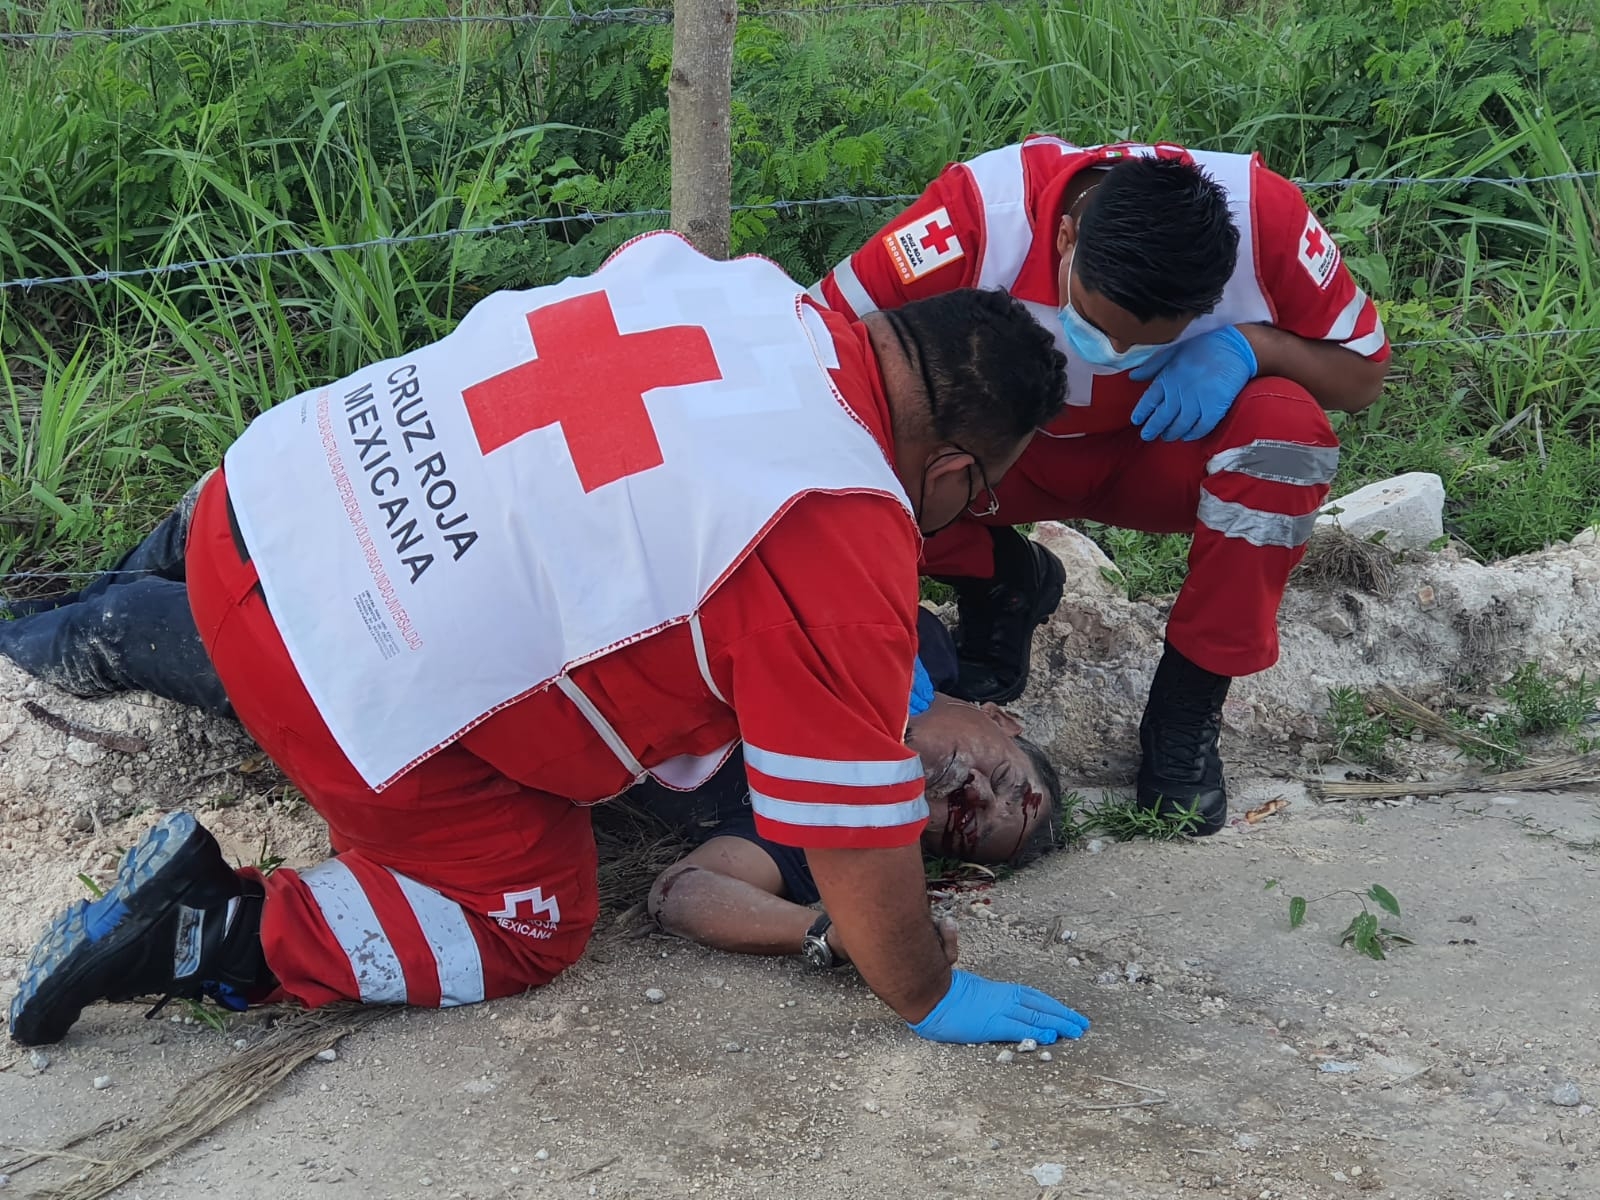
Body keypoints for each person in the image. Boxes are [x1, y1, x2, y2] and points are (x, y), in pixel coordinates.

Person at [7, 230, 1089, 1053]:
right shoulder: (838, 534)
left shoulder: (734, 287)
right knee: (533, 925)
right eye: (977, 495)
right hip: (322, 652)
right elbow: (856, 840)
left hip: (267, 482)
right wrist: (926, 992)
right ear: (951, 471)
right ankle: (216, 929)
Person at [809, 136, 1391, 835]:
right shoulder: (979, 218)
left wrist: (1251, 347)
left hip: (1157, 457)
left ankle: (1187, 707)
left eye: (1147, 341)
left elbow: (1362, 377)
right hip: (1002, 468)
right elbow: (816, 353)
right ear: (1065, 236)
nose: (1113, 354)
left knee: (1286, 438)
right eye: (1094, 320)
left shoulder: (1266, 221)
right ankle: (999, 576)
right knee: (865, 441)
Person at [645, 676, 1064, 968]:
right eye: (1003, 778)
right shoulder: (922, 637)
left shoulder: (819, 827)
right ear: (997, 718)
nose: (975, 792)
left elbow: (681, 893)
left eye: (966, 824)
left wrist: (842, 935)